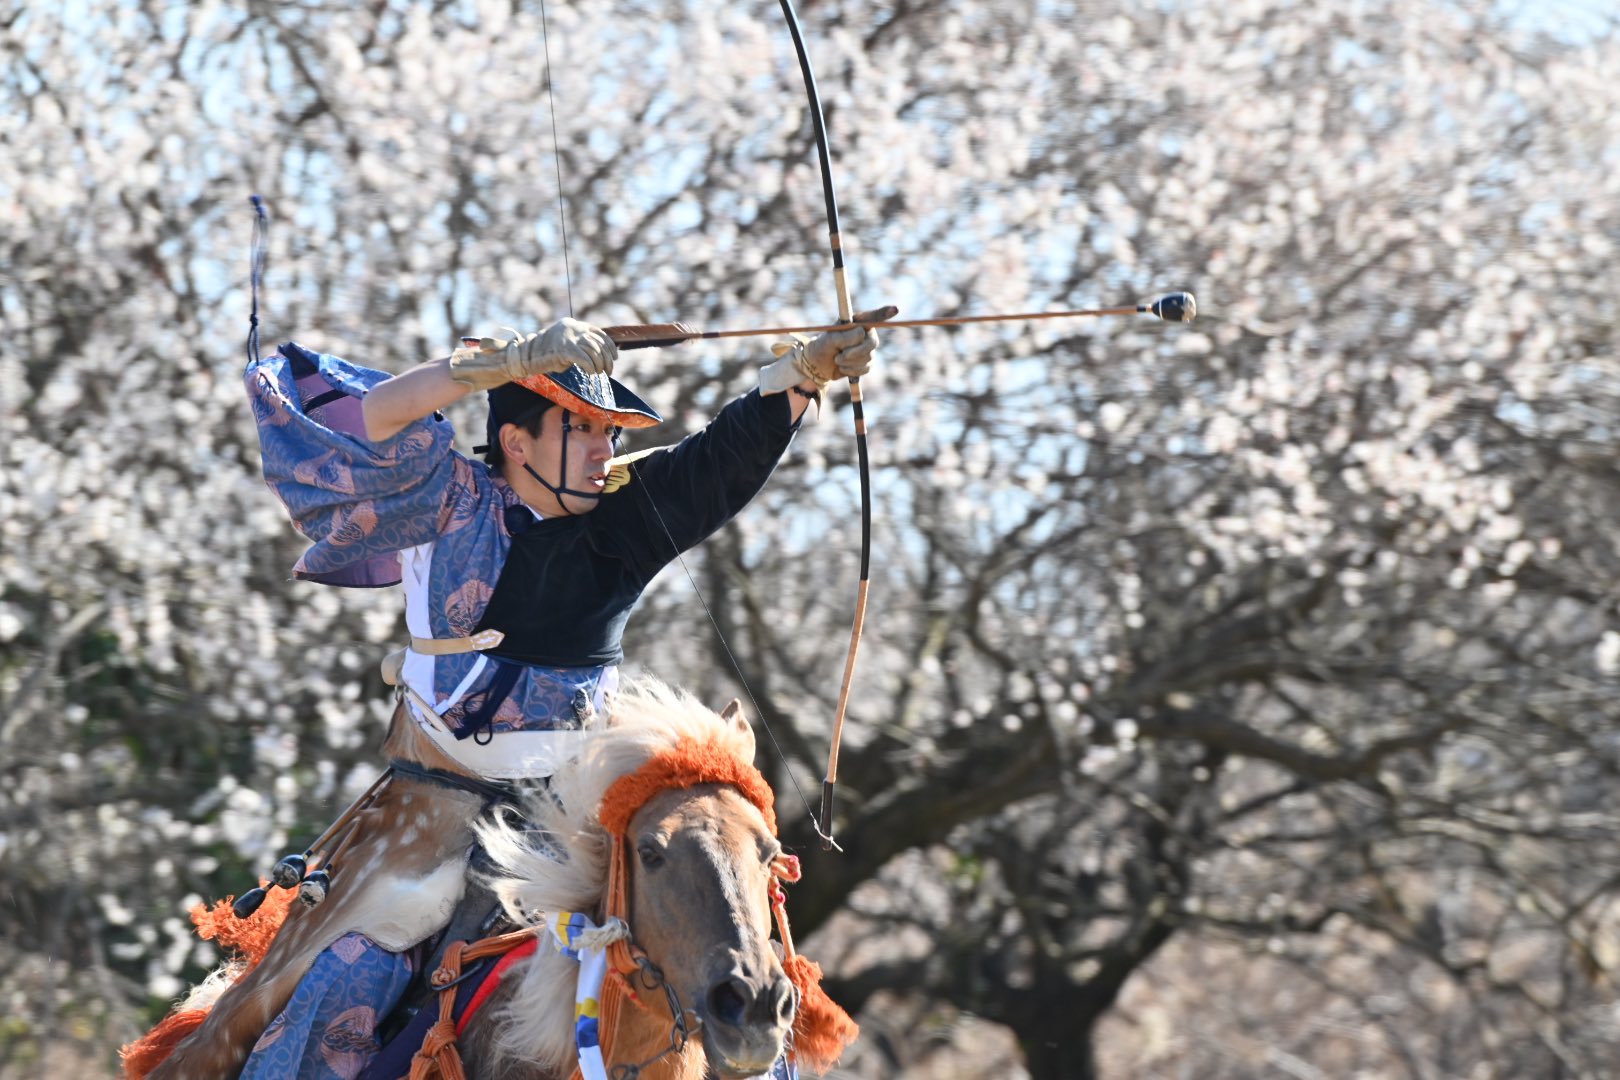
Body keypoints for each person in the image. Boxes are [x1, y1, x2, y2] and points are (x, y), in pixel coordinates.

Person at [151, 318, 877, 1079]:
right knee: (335, 973)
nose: (606, 450)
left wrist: (797, 379)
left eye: (610, 433)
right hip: (433, 816)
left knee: (711, 939)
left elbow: (715, 463)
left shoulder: (623, 527)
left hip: (570, 824)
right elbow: (374, 419)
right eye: (585, 430)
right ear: (518, 443)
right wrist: (496, 365)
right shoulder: (448, 499)